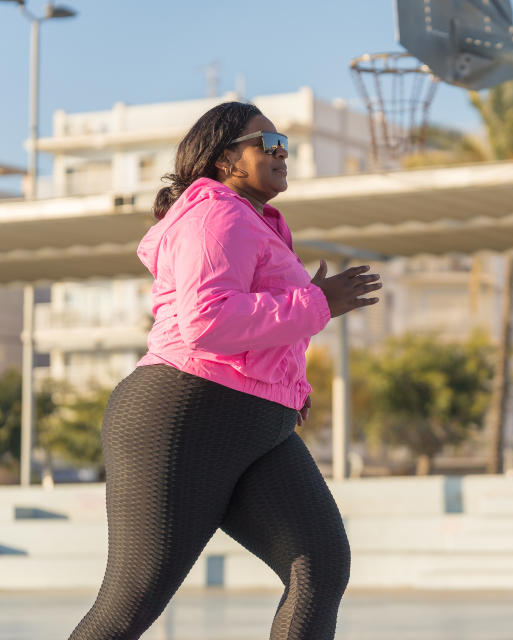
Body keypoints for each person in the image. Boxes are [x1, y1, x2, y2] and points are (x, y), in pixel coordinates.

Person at [69, 101, 380, 640]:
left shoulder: (254, 223)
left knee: (320, 566)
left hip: (253, 422)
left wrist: (303, 334)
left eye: (284, 141)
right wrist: (318, 302)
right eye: (268, 141)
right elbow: (207, 323)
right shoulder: (215, 213)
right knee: (130, 603)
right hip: (183, 413)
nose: (283, 151)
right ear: (223, 159)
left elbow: (256, 330)